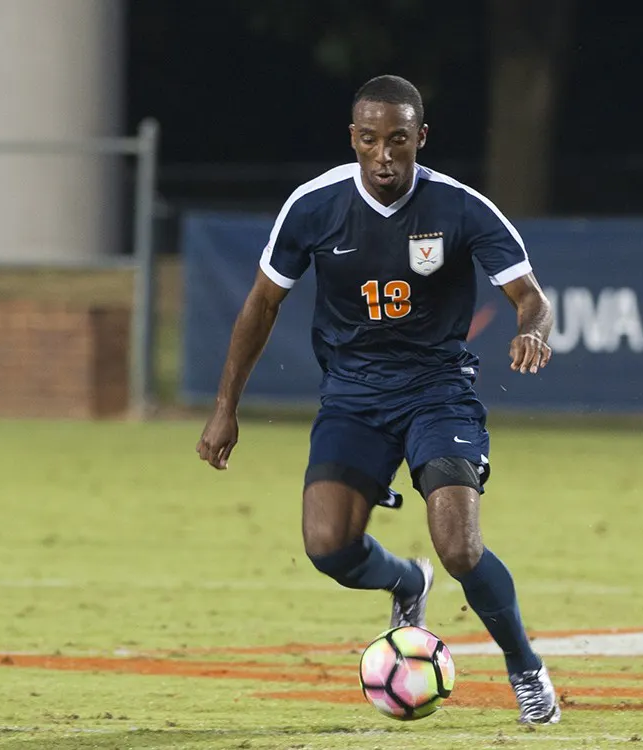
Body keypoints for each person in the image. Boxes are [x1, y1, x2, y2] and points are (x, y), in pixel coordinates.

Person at [195, 74, 560, 725]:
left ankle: (526, 669)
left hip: (437, 393)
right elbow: (261, 304)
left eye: (398, 140)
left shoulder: (460, 208)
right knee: (328, 546)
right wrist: (227, 406)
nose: (383, 155)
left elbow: (530, 295)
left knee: (459, 546)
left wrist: (532, 330)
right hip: (352, 398)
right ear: (353, 138)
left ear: (421, 137)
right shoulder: (315, 205)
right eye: (369, 139)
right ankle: (405, 581)